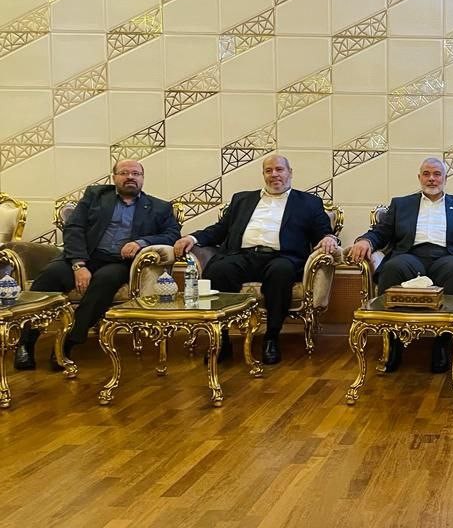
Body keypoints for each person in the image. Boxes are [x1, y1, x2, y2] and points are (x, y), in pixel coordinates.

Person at [14, 160, 181, 371]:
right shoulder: (95, 195)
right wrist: (78, 265)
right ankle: (25, 344)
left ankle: (67, 345)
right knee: (50, 276)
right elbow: (74, 228)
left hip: (119, 263)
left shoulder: (159, 207)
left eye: (136, 173)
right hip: (85, 256)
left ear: (142, 178)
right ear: (114, 177)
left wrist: (141, 242)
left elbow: (172, 234)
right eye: (124, 173)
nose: (130, 177)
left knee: (105, 282)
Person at [173, 155, 337, 365]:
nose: (274, 174)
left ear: (290, 173)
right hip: (243, 256)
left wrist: (329, 238)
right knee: (219, 270)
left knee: (281, 272)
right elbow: (220, 229)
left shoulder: (308, 203)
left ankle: (271, 338)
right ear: (263, 175)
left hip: (281, 257)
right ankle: (222, 339)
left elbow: (323, 231)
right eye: (269, 171)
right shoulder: (242, 199)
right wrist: (192, 238)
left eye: (279, 169)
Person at [348, 157, 453, 373]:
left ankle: (442, 344)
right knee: (393, 268)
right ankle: (393, 343)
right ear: (419, 177)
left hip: (447, 256)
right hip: (410, 255)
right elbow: (381, 232)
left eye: (437, 174)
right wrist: (365, 241)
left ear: (445, 178)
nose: (432, 178)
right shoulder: (401, 204)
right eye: (426, 174)